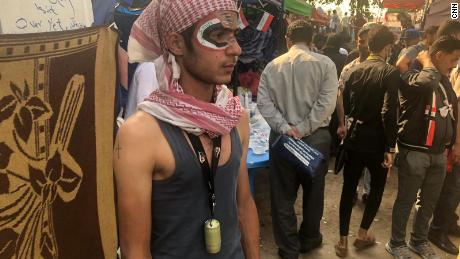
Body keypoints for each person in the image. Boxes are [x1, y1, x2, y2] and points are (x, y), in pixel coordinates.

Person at [114, 1, 260, 258]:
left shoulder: (235, 117)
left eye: (234, 36)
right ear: (176, 43)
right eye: (218, 36)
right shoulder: (140, 135)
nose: (235, 49)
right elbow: (135, 249)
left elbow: (244, 204)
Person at [257, 20, 337, 259]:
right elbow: (326, 104)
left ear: (287, 41)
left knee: (282, 197)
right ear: (311, 40)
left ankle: (288, 249)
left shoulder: (272, 67)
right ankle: (309, 239)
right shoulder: (325, 65)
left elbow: (263, 103)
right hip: (316, 139)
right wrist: (302, 128)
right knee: (314, 195)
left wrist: (285, 128)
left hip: (282, 140)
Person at [386, 36, 460, 259]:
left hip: (438, 153)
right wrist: (427, 62)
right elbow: (427, 82)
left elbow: (453, 108)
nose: (455, 65)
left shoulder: (444, 79)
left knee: (429, 200)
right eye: (453, 59)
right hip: (415, 151)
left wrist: (454, 143)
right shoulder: (413, 74)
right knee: (406, 200)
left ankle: (418, 240)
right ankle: (396, 243)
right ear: (437, 56)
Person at [334, 25, 401, 257]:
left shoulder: (354, 70)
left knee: (348, 188)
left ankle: (342, 241)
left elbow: (349, 105)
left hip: (354, 139)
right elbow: (388, 112)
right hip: (377, 143)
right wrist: (391, 146)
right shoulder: (390, 72)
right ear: (387, 48)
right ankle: (362, 234)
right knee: (377, 189)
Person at [427, 22, 460, 256]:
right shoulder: (450, 67)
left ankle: (447, 221)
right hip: (453, 138)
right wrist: (457, 142)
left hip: (451, 136)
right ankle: (438, 228)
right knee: (451, 187)